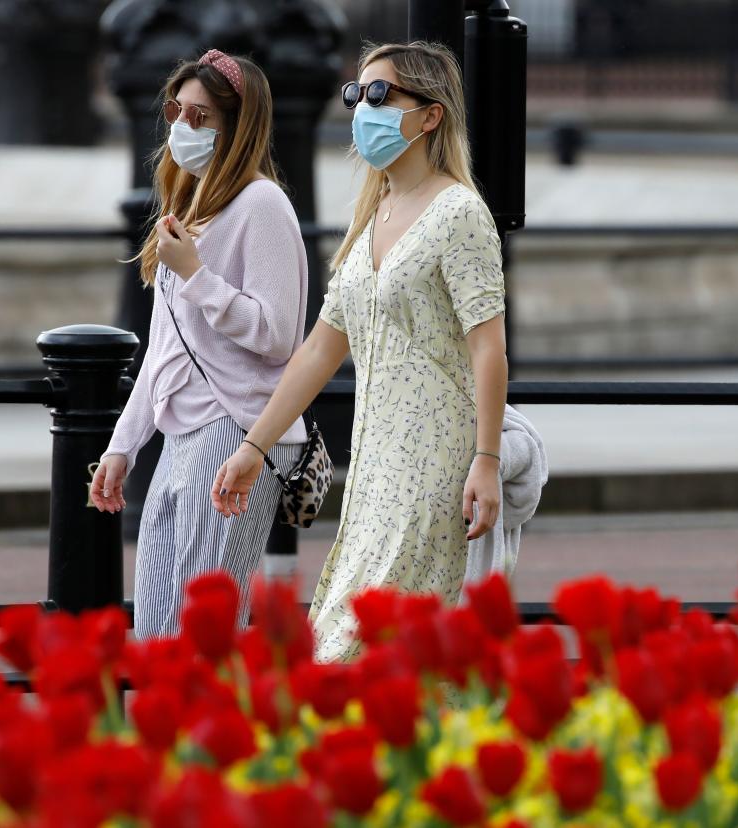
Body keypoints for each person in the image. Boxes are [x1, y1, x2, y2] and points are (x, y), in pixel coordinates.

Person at [211, 41, 508, 662]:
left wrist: (485, 459)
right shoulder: (372, 214)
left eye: (380, 94)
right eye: (356, 94)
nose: (362, 108)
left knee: (358, 650)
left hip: (435, 464)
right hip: (373, 471)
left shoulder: (460, 213)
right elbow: (320, 349)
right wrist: (253, 445)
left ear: (430, 116)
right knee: (374, 647)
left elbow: (488, 347)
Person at [90, 49, 309, 639]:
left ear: (238, 126)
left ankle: (212, 730)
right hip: (180, 433)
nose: (183, 128)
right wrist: (123, 445)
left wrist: (196, 276)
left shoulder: (262, 206)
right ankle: (167, 732)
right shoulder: (188, 205)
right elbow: (165, 345)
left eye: (202, 116)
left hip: (234, 428)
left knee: (205, 621)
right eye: (177, 111)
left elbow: (277, 334)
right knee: (157, 615)